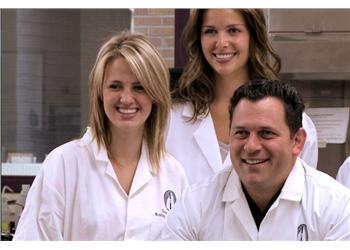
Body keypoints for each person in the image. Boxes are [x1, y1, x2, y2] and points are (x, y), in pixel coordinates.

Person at [13, 31, 188, 240]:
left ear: (155, 94)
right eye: (115, 86)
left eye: (139, 87)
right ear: (100, 92)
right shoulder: (63, 164)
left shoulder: (173, 174)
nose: (126, 98)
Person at [160, 79, 350, 240]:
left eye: (266, 133)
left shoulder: (336, 208)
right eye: (241, 133)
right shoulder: (195, 204)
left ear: (297, 141)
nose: (251, 146)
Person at [166, 9, 318, 185]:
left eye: (233, 30)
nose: (221, 43)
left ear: (252, 36)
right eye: (210, 31)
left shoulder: (297, 123)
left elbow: (301, 201)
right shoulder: (170, 118)